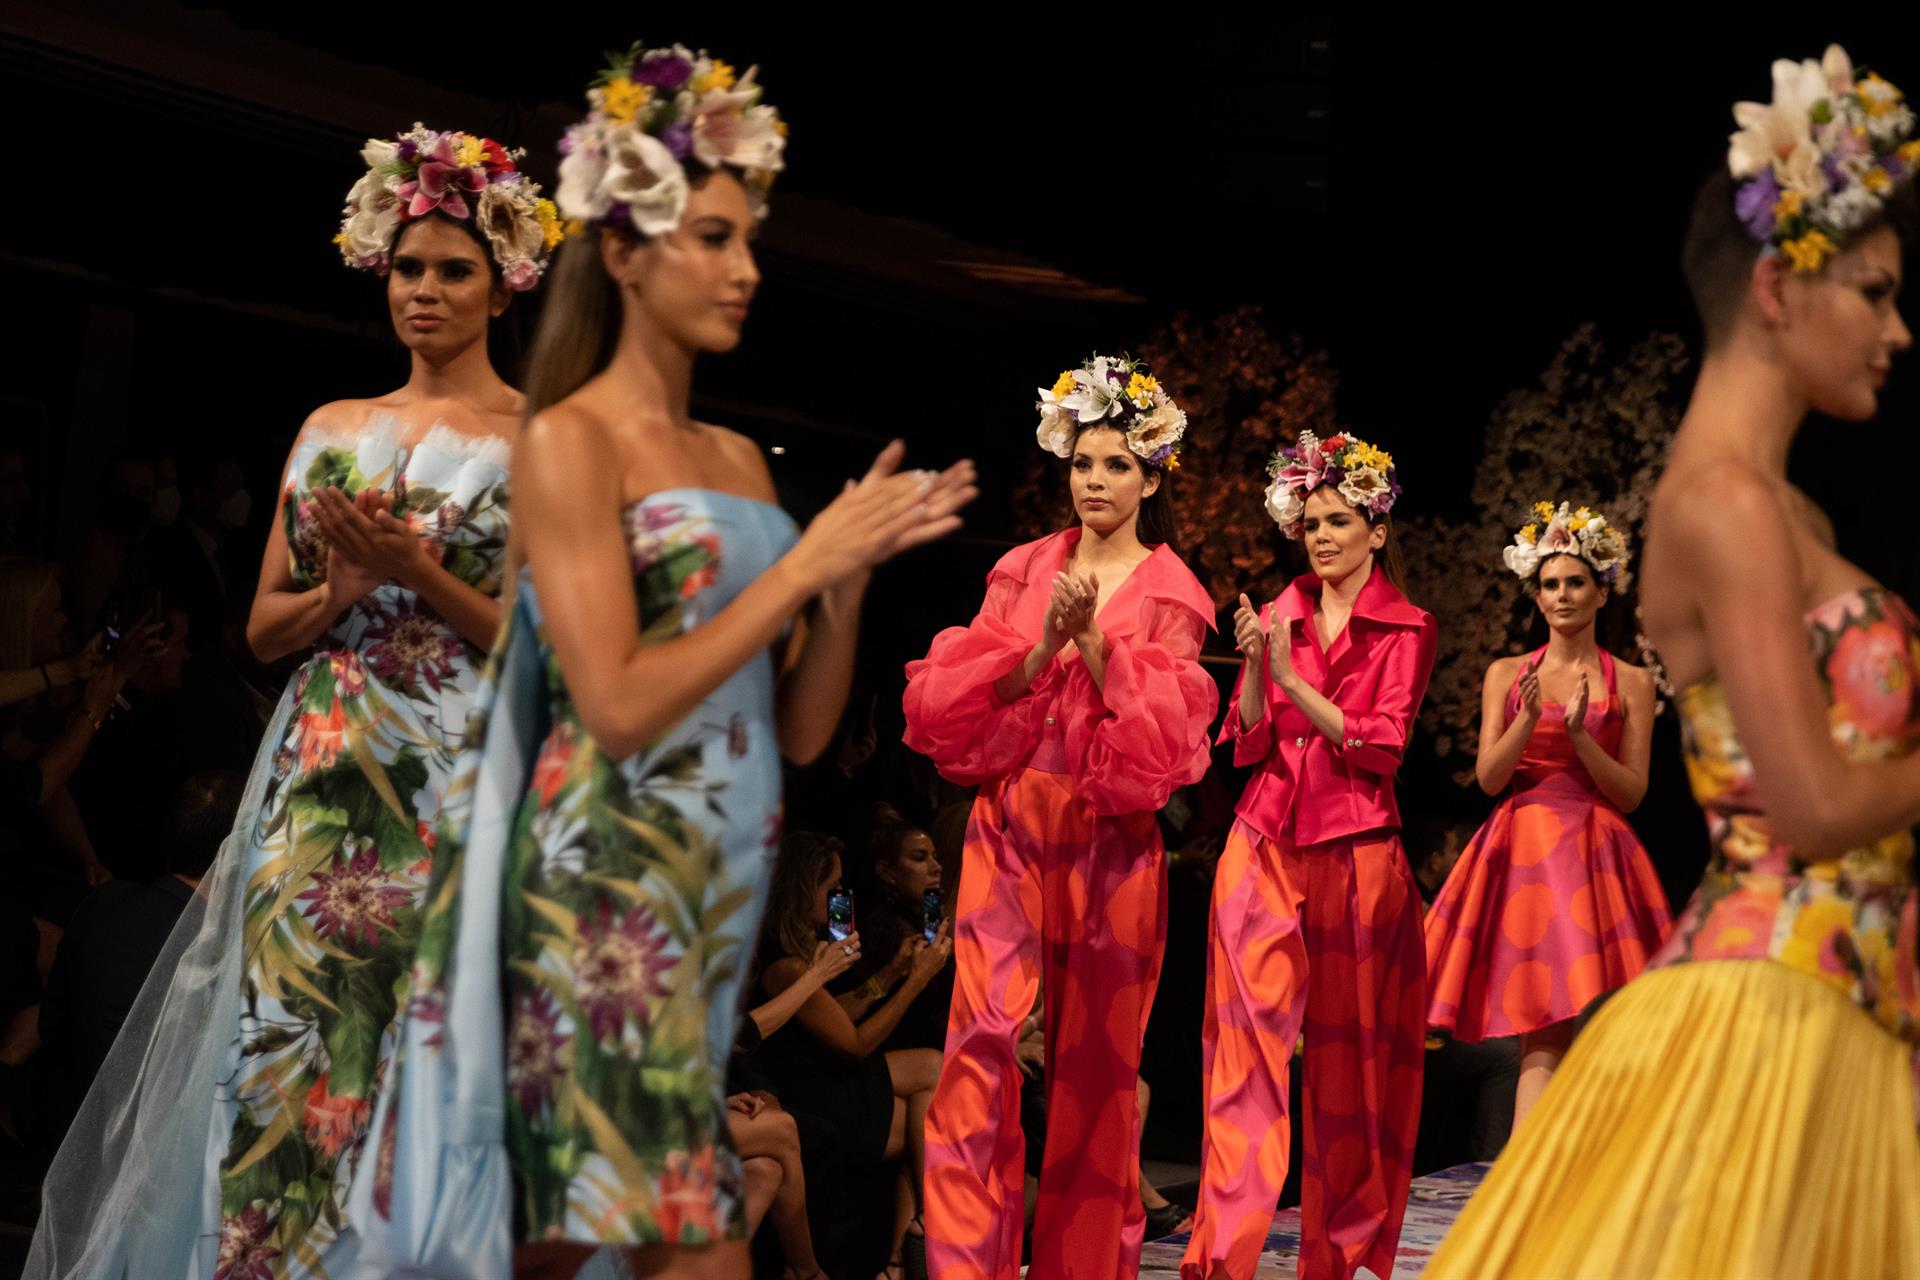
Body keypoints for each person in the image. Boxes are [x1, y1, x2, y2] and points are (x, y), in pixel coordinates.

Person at [358, 44, 975, 1280]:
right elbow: (617, 699)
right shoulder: (571, 438)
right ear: (627, 254)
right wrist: (803, 570)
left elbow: (800, 734)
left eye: (750, 241)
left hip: (708, 903)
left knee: (612, 1239)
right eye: (713, 237)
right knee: (625, 1239)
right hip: (598, 887)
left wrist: (847, 578)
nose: (746, 270)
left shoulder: (744, 461)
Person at [26, 120, 555, 1280]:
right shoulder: (335, 429)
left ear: (503, 284)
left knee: (425, 1044)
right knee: (290, 1033)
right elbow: (261, 623)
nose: (424, 289)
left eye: (453, 269)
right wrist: (345, 587)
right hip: (325, 759)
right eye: (408, 267)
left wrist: (421, 576)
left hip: (460, 767)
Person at [1427, 45, 1920, 1277]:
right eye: (1872, 291)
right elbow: (1807, 803)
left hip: (1838, 993)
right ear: (1774, 288)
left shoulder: (1777, 512)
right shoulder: (1726, 506)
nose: (1898, 330)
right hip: (1772, 999)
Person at [905, 354, 1217, 1280]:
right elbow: (951, 706)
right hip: (1011, 821)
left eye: (1118, 464)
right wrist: (1045, 643)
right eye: (1084, 462)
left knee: (1095, 1072)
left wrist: (1096, 646)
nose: (1096, 480)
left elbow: (1164, 754)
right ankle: (966, 1265)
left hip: (1109, 838)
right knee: (983, 1043)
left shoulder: (1173, 593)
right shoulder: (1023, 567)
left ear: (1152, 474)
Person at [1183, 431, 1436, 1280]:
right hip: (1263, 839)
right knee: (1242, 1058)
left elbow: (1381, 747)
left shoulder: (1408, 626)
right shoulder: (1281, 611)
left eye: (1339, 521)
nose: (1322, 536)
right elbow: (1247, 743)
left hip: (1358, 850)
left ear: (1377, 530)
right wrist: (1258, 667)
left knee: (1349, 1071)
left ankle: (1339, 1259)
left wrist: (1294, 681)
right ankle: (1222, 1255)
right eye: (1312, 521)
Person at [1421, 503, 1670, 1126]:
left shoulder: (1632, 680)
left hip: (1596, 848)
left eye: (1575, 582)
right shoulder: (1507, 673)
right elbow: (1487, 778)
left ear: (1601, 590)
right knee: (1543, 1026)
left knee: (1605, 1020)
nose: (1562, 595)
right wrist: (1530, 719)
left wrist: (1584, 738)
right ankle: (1528, 1174)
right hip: (1526, 848)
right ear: (1536, 597)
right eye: (1550, 585)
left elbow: (1633, 792)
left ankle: (1588, 1169)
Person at [758, 831, 950, 1280]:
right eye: (832, 888)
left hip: (827, 1076)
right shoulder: (784, 965)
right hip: (811, 1092)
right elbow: (854, 1043)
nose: (840, 898)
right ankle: (919, 1232)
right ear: (804, 889)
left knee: (932, 1074)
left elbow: (835, 1014)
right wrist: (917, 980)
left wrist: (892, 973)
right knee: (926, 1110)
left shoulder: (806, 949)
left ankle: (906, 1249)